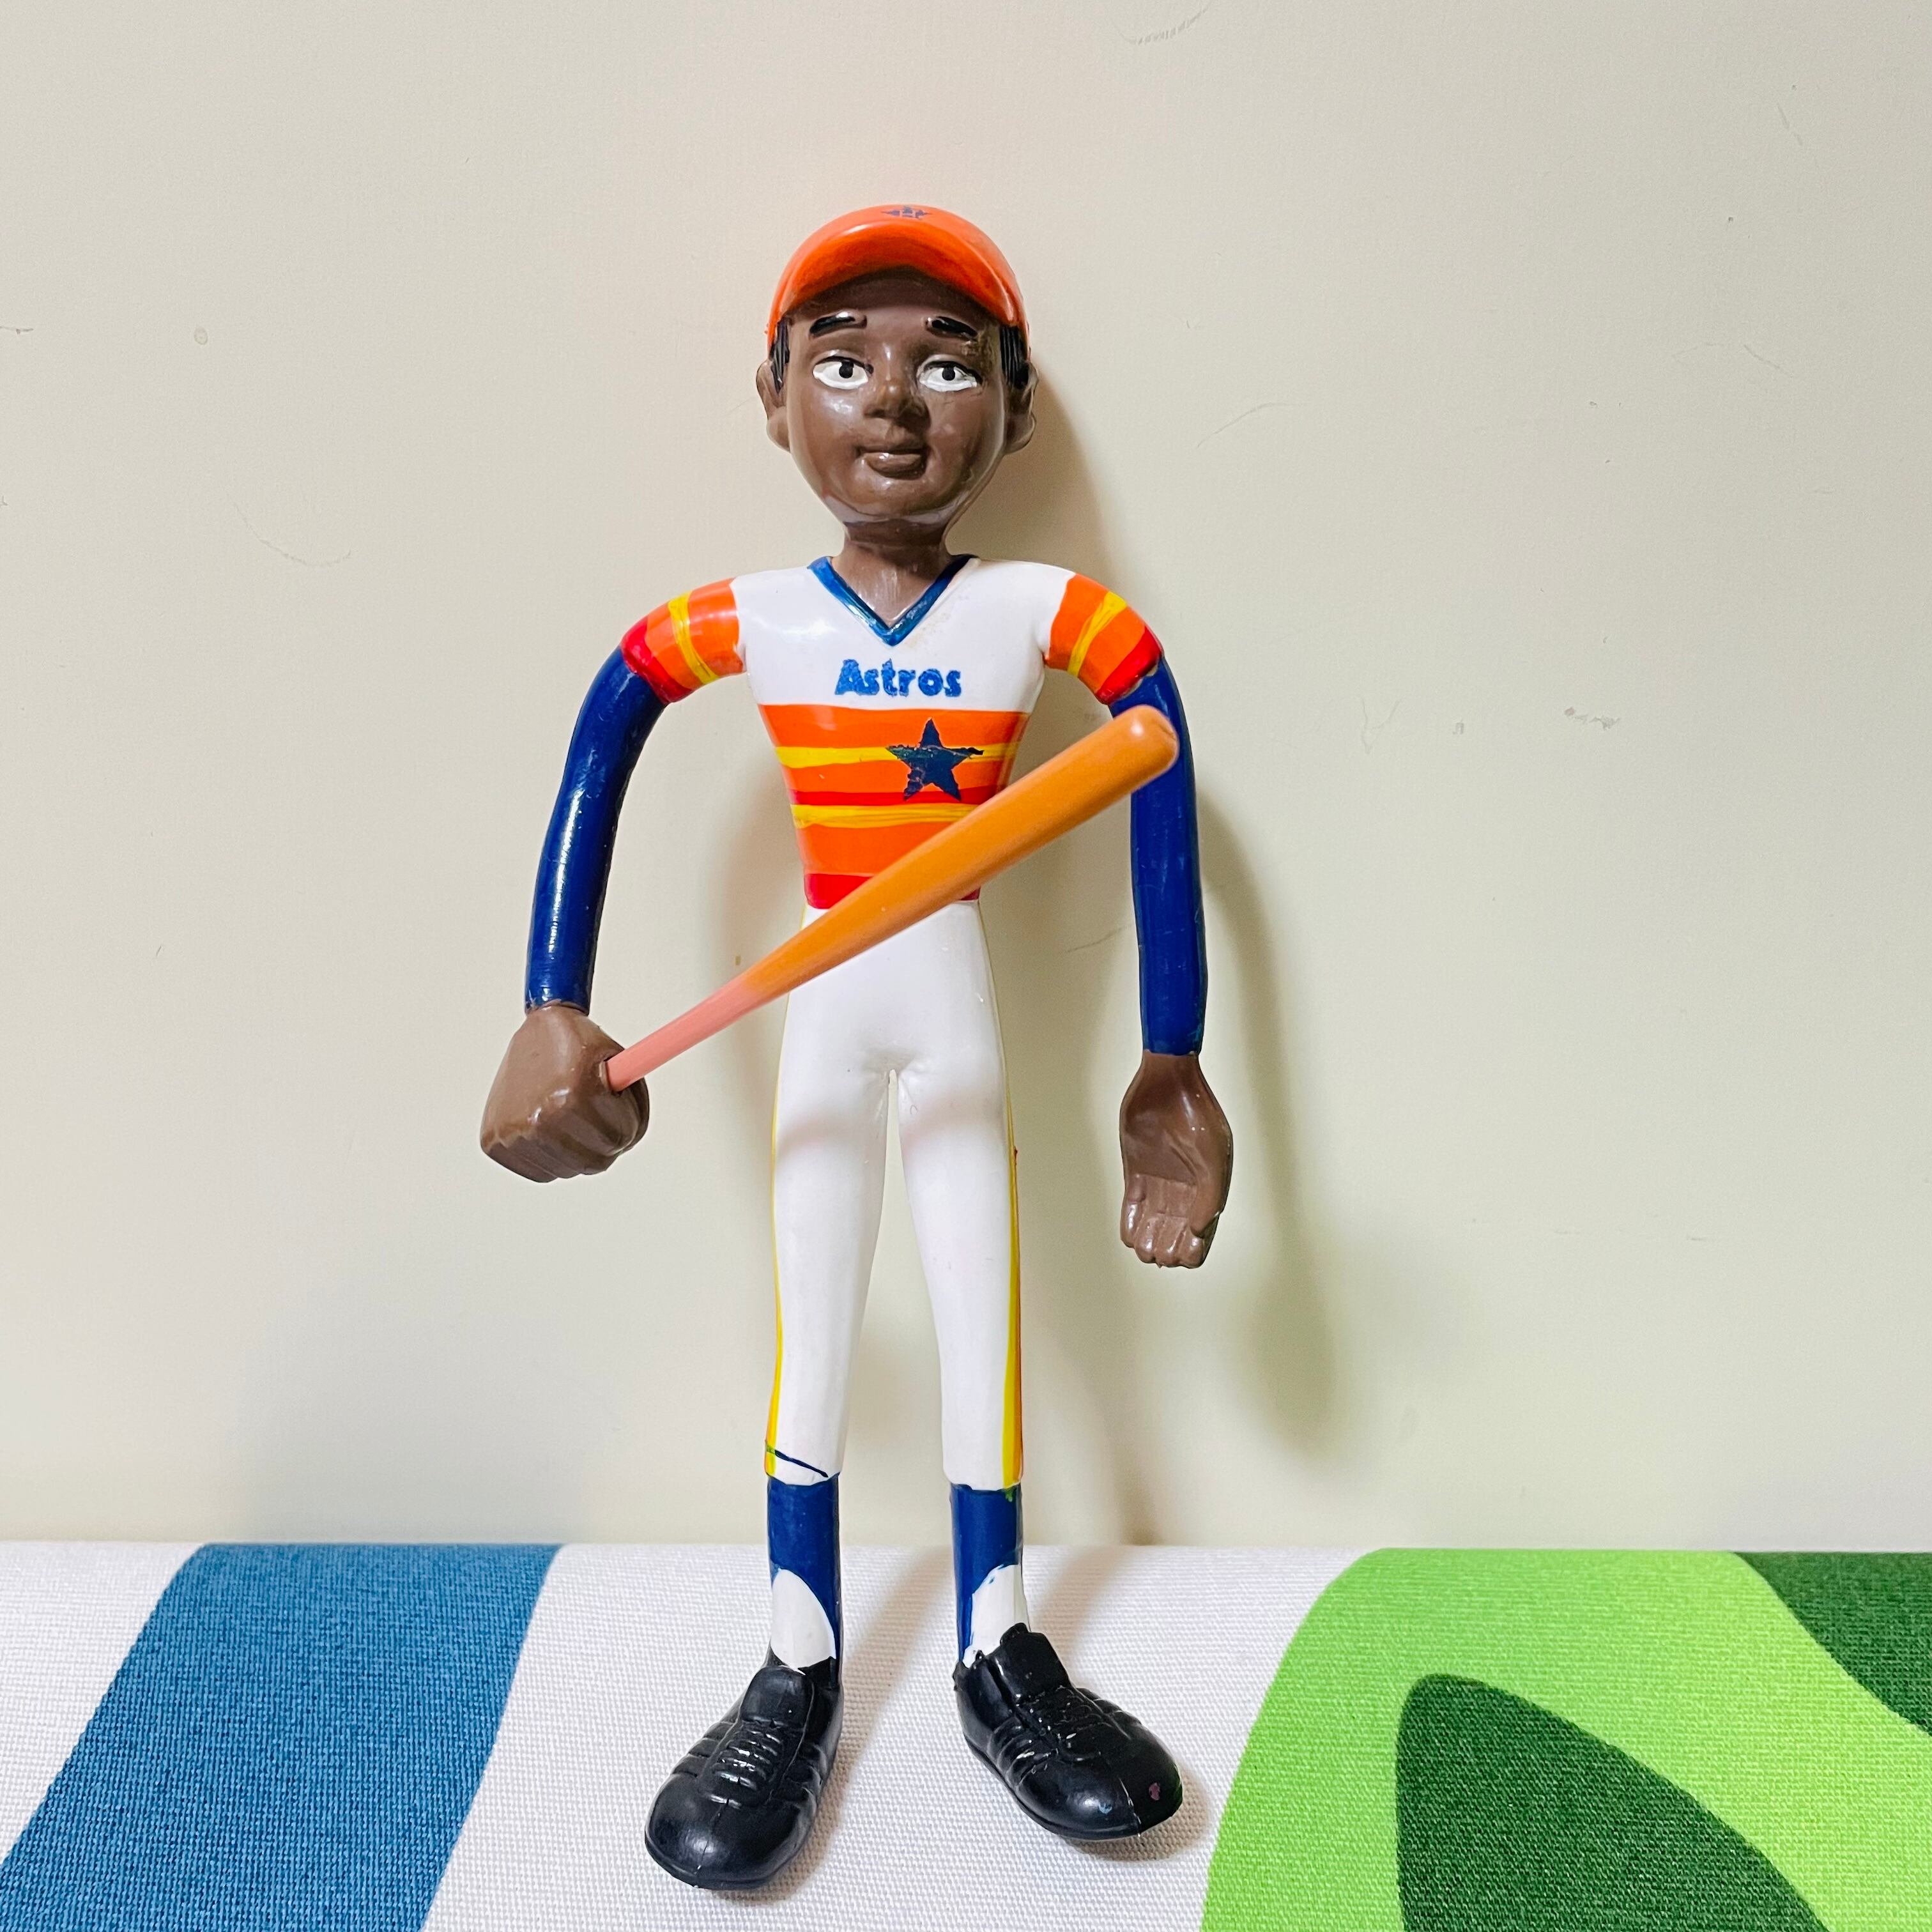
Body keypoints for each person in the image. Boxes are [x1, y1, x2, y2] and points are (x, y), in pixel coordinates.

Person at [481, 204, 1234, 1891]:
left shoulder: (1054, 613)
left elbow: (1160, 765)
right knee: (814, 1331)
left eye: (946, 366)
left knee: (981, 1322)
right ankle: (797, 1656)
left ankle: (996, 1644)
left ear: (1013, 411)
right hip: (825, 1004)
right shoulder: (751, 617)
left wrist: (1172, 1057)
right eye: (841, 363)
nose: (892, 400)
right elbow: (606, 734)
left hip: (948, 999)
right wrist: (548, 1003)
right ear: (774, 399)